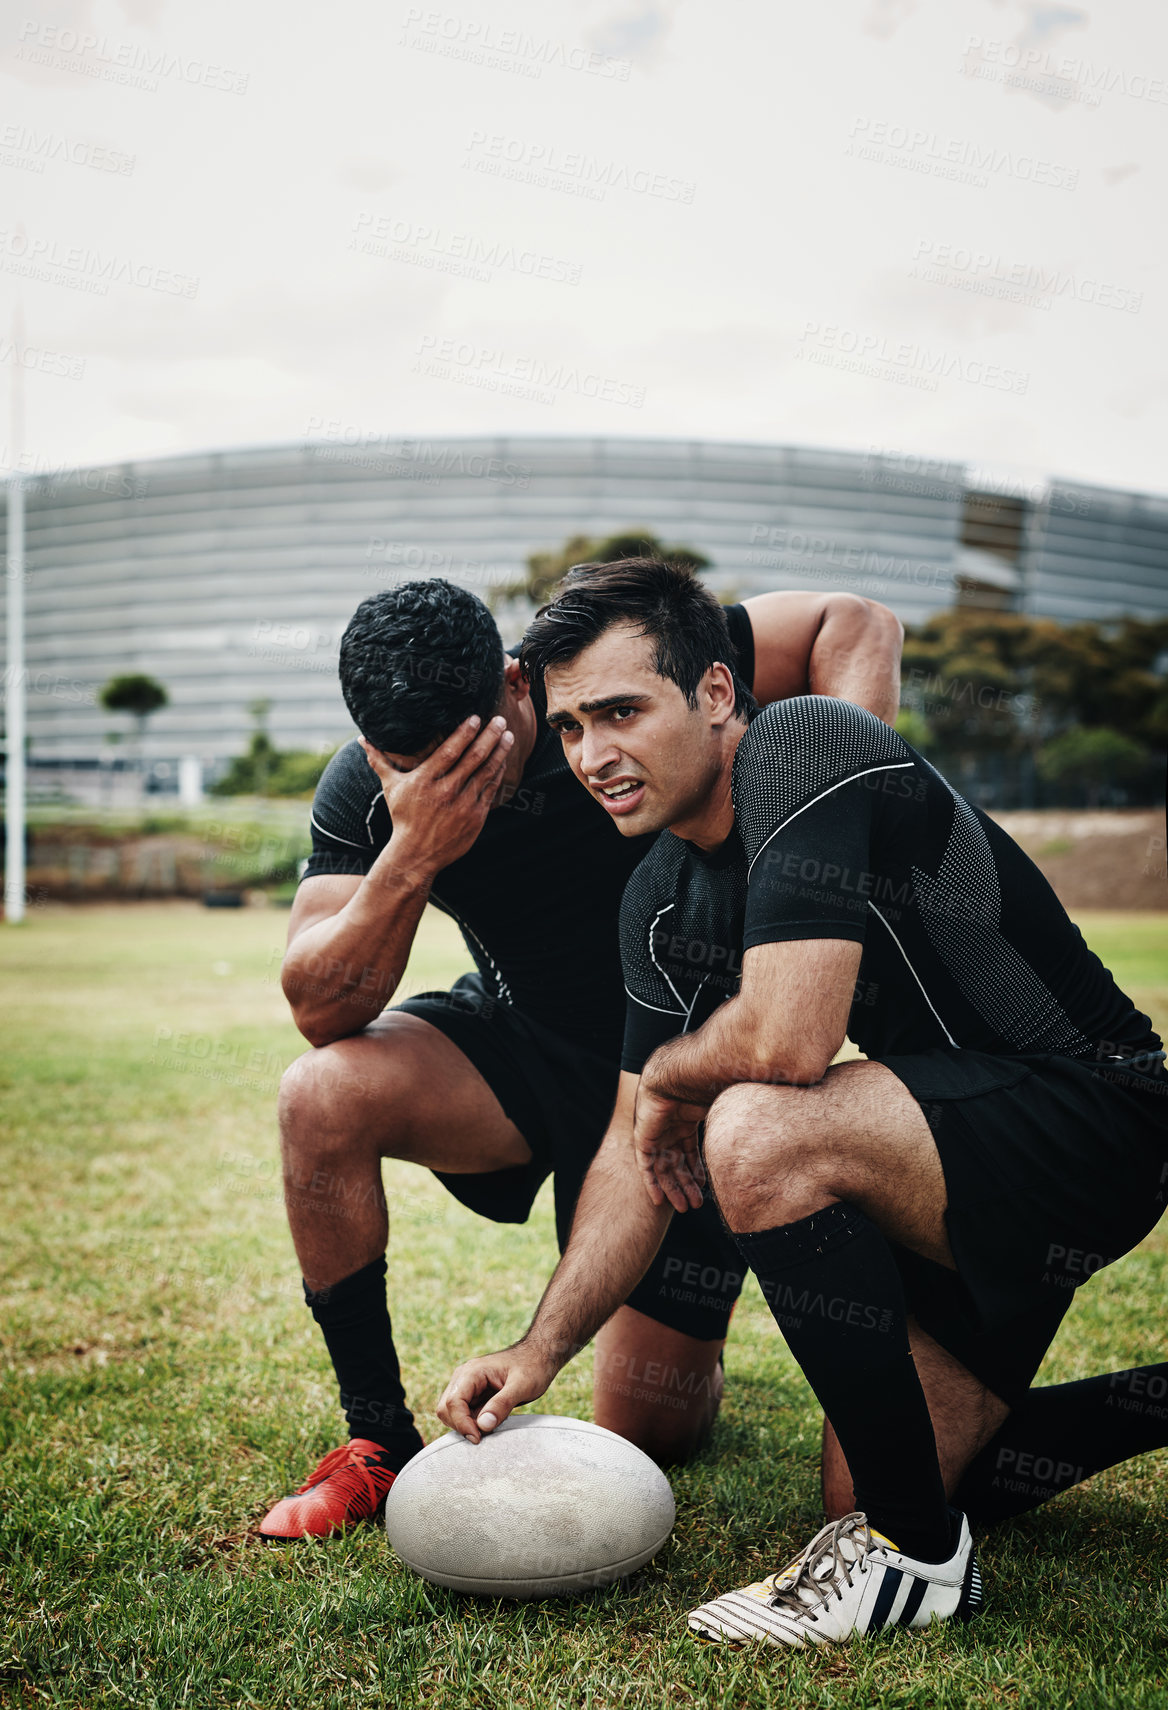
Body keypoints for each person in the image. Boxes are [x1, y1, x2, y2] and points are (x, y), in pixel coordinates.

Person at [437, 558, 1167, 1647]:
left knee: (757, 1126)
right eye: (574, 726)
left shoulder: (808, 744)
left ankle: (915, 1563)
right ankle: (953, 1501)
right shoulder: (654, 899)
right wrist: (537, 1349)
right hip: (943, 1155)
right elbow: (627, 1156)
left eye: (623, 712)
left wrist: (680, 1081)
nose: (594, 756)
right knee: (873, 1479)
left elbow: (787, 1041)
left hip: (1092, 1117)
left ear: (719, 694)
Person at [258, 573, 905, 1539]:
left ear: (517, 687)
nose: (448, 779)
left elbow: (851, 622)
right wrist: (414, 850)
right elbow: (318, 1005)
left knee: (651, 1430)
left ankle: (698, 1340)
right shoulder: (377, 790)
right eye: (410, 764)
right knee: (320, 1091)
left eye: (475, 753)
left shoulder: (599, 697)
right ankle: (374, 1443)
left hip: (678, 1064)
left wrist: (815, 821)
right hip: (521, 1054)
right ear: (372, 750)